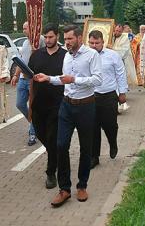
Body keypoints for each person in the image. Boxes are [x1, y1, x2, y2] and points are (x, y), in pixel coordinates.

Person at [33, 25, 102, 207]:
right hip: (66, 106)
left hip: (86, 106)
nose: (67, 43)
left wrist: (75, 80)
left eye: (70, 39)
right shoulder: (67, 56)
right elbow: (63, 78)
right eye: (65, 39)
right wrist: (48, 78)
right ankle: (64, 189)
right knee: (61, 145)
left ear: (79, 38)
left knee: (85, 148)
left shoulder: (91, 55)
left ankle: (82, 185)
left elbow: (97, 79)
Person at [27, 24, 67, 190]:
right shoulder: (37, 55)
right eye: (46, 37)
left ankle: (51, 173)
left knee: (52, 137)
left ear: (57, 36)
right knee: (42, 135)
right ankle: (55, 156)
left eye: (51, 37)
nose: (48, 40)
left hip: (57, 104)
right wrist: (30, 103)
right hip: (39, 103)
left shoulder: (65, 56)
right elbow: (31, 79)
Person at [88, 30, 127, 169]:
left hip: (109, 95)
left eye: (97, 43)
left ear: (102, 42)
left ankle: (113, 142)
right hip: (91, 96)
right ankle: (94, 156)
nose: (94, 45)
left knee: (110, 125)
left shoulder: (112, 55)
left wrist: (122, 92)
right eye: (91, 43)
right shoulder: (85, 56)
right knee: (93, 127)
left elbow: (120, 74)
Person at [11, 21, 37, 146]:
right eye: (23, 28)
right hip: (22, 78)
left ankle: (33, 132)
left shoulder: (40, 40)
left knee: (33, 106)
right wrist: (16, 75)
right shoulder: (25, 42)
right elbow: (21, 60)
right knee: (20, 104)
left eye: (25, 28)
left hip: (33, 79)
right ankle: (35, 123)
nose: (24, 31)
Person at [111, 24, 138, 89]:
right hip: (111, 61)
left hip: (122, 62)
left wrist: (112, 48)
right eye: (116, 30)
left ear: (122, 31)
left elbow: (123, 51)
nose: (117, 32)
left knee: (120, 79)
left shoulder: (125, 38)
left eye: (119, 31)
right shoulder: (111, 36)